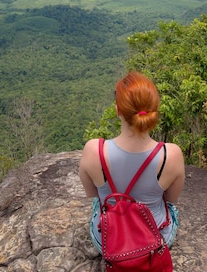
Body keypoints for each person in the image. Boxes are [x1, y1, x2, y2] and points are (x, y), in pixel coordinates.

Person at [79, 71, 185, 253]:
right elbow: (171, 199)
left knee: (98, 203)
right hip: (155, 241)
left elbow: (92, 194)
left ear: (118, 110)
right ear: (153, 110)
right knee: (169, 207)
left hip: (109, 244)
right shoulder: (171, 154)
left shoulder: (94, 150)